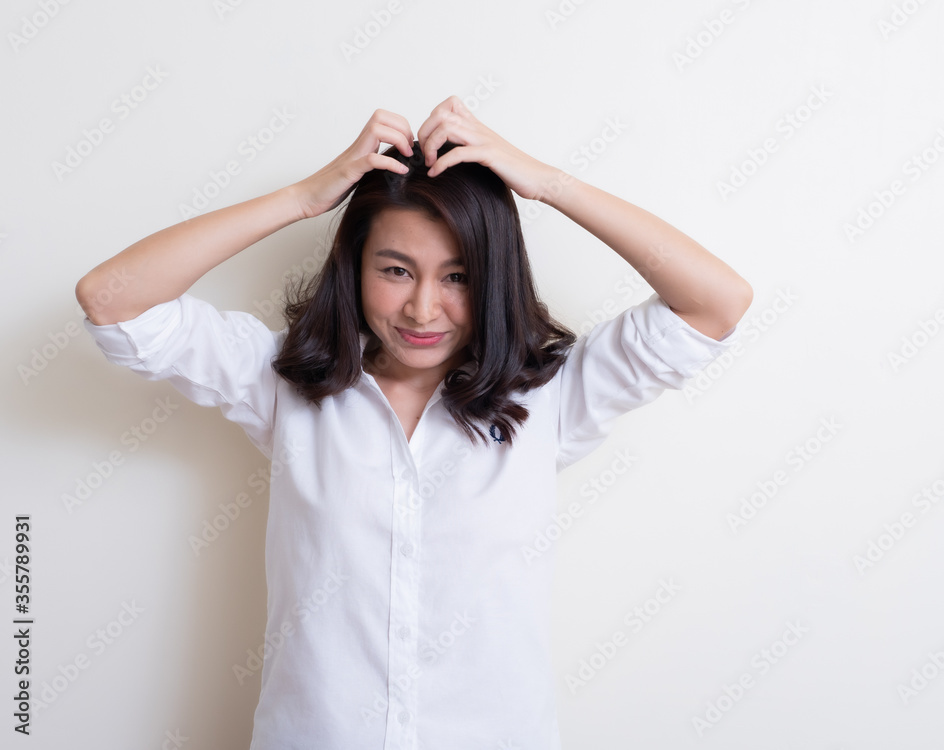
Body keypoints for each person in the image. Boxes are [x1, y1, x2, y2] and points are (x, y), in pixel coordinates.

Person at [76, 96, 753, 749]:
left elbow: (717, 302)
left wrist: (546, 183)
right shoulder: (279, 382)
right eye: (396, 270)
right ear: (355, 267)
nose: (422, 309)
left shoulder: (553, 395)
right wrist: (304, 200)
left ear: (491, 279)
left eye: (457, 277)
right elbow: (111, 300)